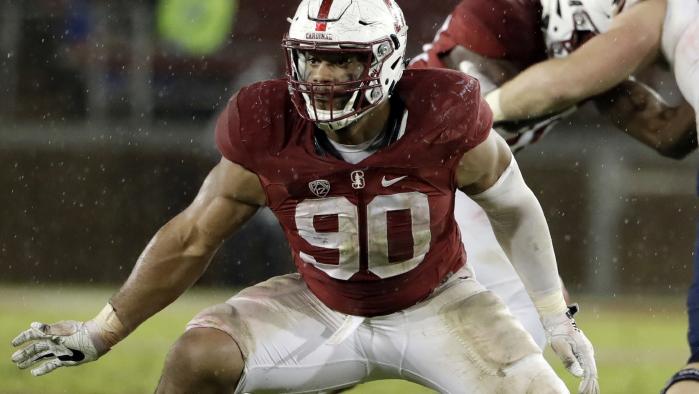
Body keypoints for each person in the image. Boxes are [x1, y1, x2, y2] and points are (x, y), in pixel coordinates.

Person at [10, 1, 599, 393]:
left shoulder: (445, 113)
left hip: (439, 304)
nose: (322, 76)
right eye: (313, 59)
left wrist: (556, 317)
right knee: (196, 360)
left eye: (343, 62)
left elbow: (515, 206)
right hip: (321, 305)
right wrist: (101, 331)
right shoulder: (266, 123)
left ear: (389, 61)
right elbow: (193, 236)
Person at [412, 0, 699, 392]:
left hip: (454, 186)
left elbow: (667, 134)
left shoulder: (575, 58)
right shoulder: (500, 11)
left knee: (526, 325)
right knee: (517, 329)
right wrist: (572, 77)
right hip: (416, 175)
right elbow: (514, 97)